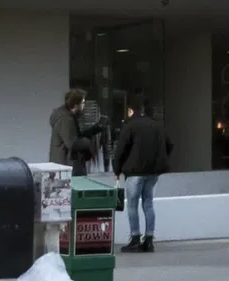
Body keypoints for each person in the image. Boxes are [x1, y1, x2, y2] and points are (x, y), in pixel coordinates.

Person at [113, 97, 173, 253]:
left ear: (131, 111)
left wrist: (117, 169)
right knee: (148, 203)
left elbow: (121, 150)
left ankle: (135, 239)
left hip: (135, 172)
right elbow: (169, 145)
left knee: (132, 205)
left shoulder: (130, 126)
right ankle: (149, 240)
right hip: (153, 172)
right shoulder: (157, 125)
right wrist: (159, 159)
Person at [49, 89, 101, 175]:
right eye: (83, 103)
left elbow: (75, 137)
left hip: (66, 166)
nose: (84, 105)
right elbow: (73, 144)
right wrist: (88, 142)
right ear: (76, 105)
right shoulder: (66, 119)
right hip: (67, 168)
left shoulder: (67, 117)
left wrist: (95, 129)